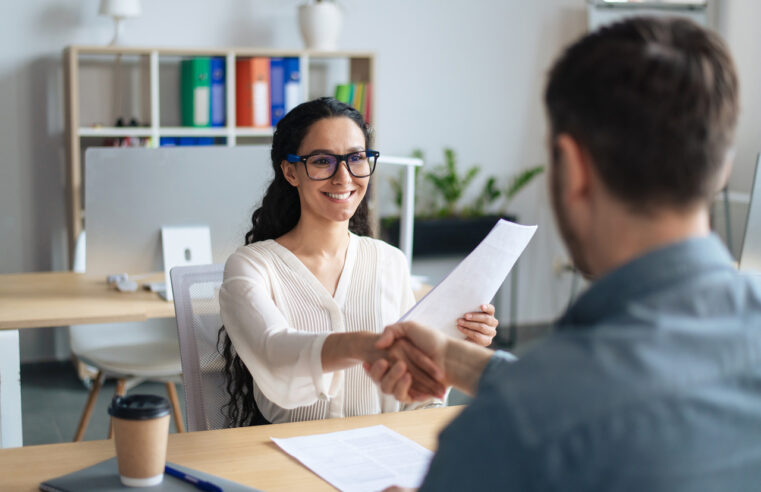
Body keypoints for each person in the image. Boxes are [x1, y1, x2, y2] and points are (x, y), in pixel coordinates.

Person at [367, 17, 761, 491]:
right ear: (722, 167)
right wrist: (455, 360)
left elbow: (567, 399)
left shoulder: (512, 429)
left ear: (572, 167)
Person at [218, 97, 497, 426]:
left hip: (380, 451)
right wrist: (365, 345)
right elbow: (274, 353)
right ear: (291, 171)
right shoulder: (252, 266)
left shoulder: (389, 261)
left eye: (356, 158)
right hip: (289, 453)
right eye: (323, 161)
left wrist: (454, 346)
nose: (344, 176)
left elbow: (413, 403)